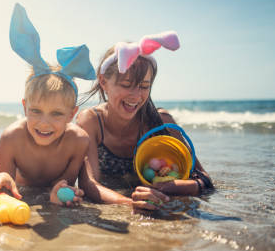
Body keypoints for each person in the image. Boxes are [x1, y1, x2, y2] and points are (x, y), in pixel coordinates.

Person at [77, 32, 213, 211]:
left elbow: (204, 180)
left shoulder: (160, 122)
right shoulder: (92, 122)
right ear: (103, 82)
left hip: (160, 197)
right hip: (118, 197)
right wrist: (131, 203)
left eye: (144, 86)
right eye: (126, 85)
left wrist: (172, 187)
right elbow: (89, 185)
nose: (135, 96)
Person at [0, 3, 96, 206]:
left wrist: (57, 196)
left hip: (44, 186)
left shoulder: (78, 142)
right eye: (35, 111)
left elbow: (65, 187)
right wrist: (3, 182)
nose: (44, 123)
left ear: (72, 114)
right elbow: (4, 188)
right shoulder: (12, 138)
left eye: (57, 114)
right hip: (22, 185)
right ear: (25, 106)